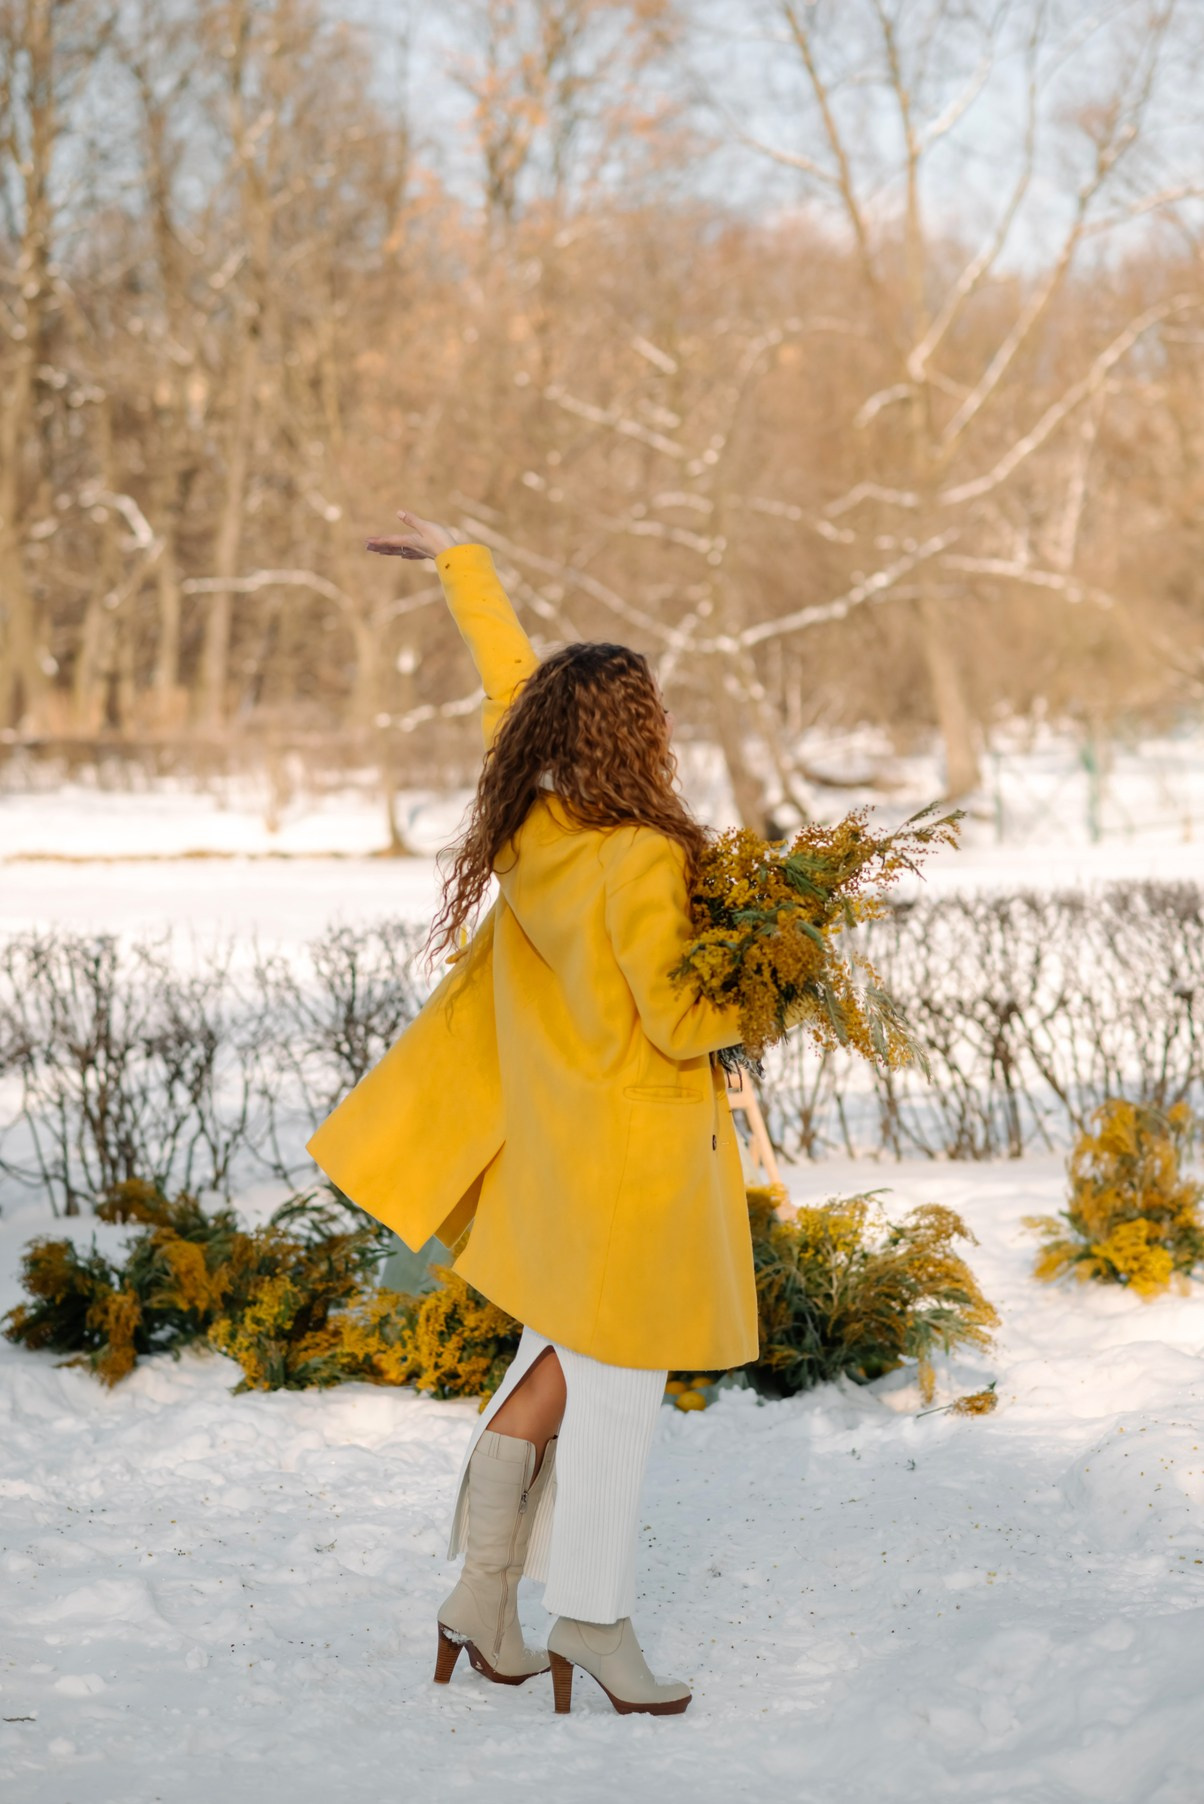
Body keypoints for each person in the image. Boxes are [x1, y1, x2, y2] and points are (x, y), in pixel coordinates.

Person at [306, 509, 758, 1717]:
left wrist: (466, 567)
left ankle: (481, 1600)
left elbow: (513, 687)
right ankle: (594, 1624)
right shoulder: (645, 858)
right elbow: (677, 1014)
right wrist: (760, 978)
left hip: (554, 1160)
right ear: (640, 736)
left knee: (548, 1366)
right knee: (614, 1398)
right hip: (637, 1164)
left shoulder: (533, 827)